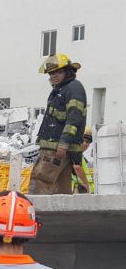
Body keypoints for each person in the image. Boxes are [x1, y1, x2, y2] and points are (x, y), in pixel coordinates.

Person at [31, 54, 87, 195]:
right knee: (60, 189)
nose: (53, 76)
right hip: (56, 147)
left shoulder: (73, 87)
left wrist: (63, 143)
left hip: (56, 147)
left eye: (58, 72)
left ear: (67, 72)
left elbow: (74, 117)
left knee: (41, 180)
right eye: (51, 73)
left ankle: (35, 214)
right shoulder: (59, 90)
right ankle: (61, 217)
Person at [71, 126, 95, 194]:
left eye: (88, 141)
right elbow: (77, 168)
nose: (84, 143)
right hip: (77, 193)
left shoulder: (83, 158)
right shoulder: (73, 154)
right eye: (82, 140)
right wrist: (86, 185)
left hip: (85, 194)